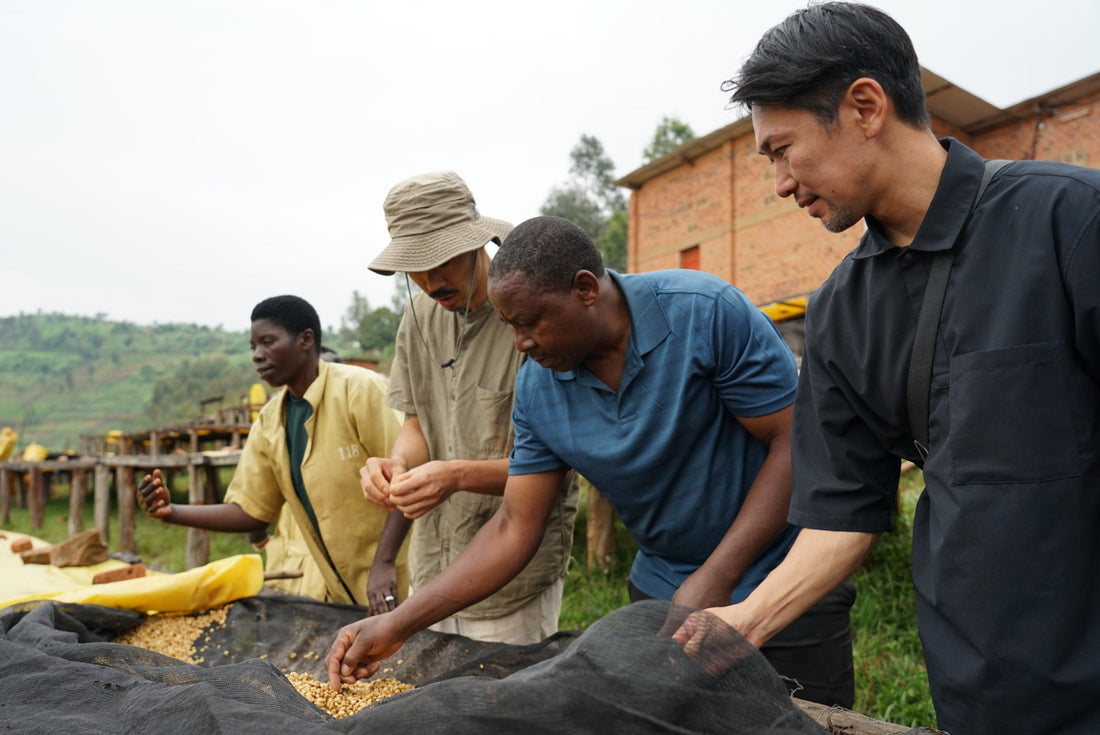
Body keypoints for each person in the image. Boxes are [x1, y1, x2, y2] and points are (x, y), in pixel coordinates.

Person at [672, 3, 1100, 733]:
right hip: (979, 683)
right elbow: (842, 511)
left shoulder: (1067, 220)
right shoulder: (841, 309)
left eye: (782, 149)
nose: (778, 183)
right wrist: (749, 616)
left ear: (865, 107)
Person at [329, 214, 856, 707]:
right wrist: (399, 624)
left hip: (783, 581)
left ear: (585, 289)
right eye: (509, 325)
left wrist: (717, 574)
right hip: (663, 591)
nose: (520, 343)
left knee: (806, 717)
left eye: (530, 322)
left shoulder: (704, 312)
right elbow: (515, 525)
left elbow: (793, 445)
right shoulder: (539, 386)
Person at [358, 171, 578, 645]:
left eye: (443, 260)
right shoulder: (417, 316)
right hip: (431, 566)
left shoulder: (529, 319)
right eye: (415, 265)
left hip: (510, 581)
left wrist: (456, 475)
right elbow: (416, 423)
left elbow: (557, 465)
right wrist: (397, 466)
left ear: (477, 243)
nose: (430, 279)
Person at [138, 295, 410, 612]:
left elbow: (410, 473)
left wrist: (385, 562)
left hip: (400, 578)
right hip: (343, 594)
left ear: (305, 340)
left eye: (268, 342)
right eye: (253, 346)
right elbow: (253, 511)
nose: (257, 355)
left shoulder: (359, 389)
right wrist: (171, 512)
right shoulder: (270, 421)